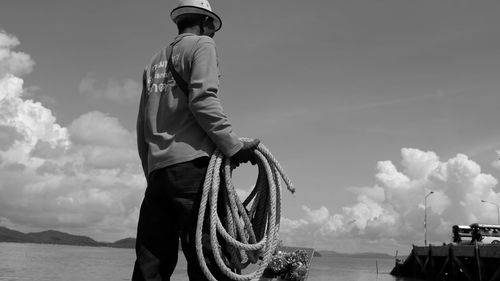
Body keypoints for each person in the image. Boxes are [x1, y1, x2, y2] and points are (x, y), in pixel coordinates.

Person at [132, 0, 260, 280]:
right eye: (211, 28)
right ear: (204, 24)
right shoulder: (203, 45)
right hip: (194, 170)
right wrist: (233, 146)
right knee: (209, 259)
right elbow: (203, 100)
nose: (213, 33)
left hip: (158, 175)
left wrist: (152, 172)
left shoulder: (153, 62)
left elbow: (143, 125)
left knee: (151, 260)